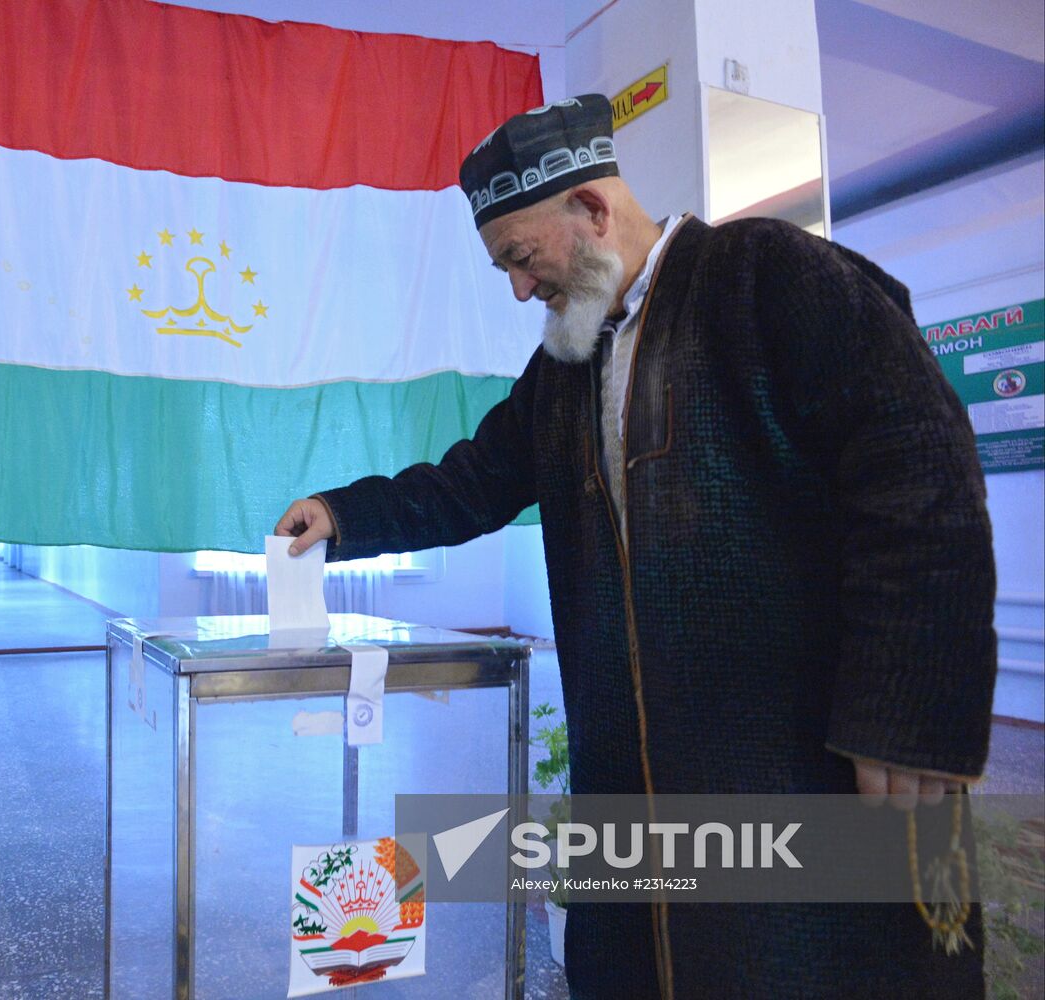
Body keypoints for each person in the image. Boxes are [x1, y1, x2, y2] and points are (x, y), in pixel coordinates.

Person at [275, 95, 996, 999]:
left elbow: (920, 465)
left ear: (591, 210)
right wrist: (344, 515)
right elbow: (470, 481)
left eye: (521, 258)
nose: (520, 289)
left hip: (802, 760)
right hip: (635, 782)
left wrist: (908, 702)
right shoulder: (566, 369)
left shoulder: (769, 276)